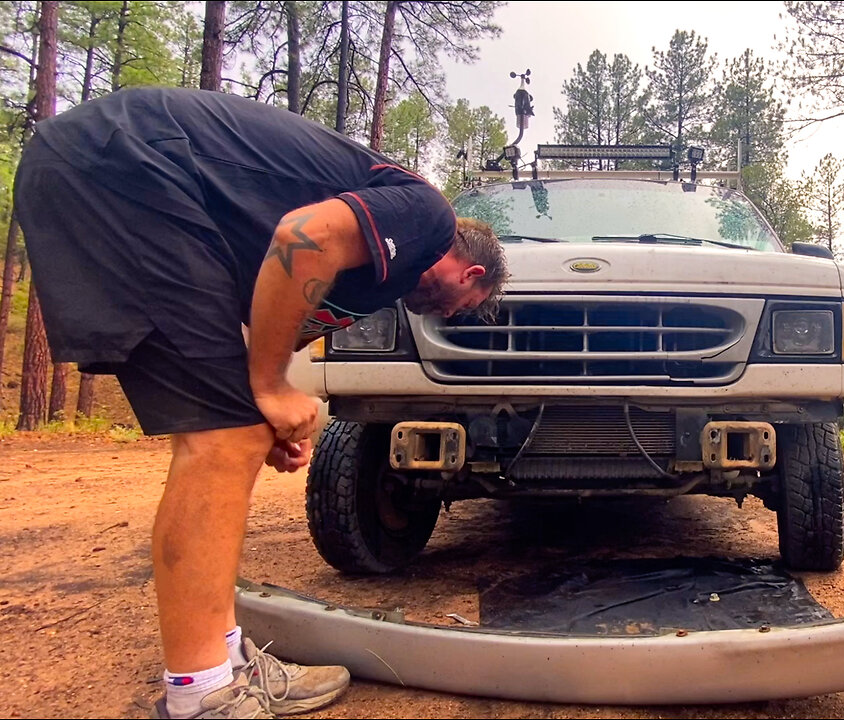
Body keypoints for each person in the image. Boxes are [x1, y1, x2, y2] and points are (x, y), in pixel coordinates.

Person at [14, 87, 509, 719]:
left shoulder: (372, 286)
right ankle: (202, 693)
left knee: (234, 434)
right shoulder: (427, 214)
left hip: (128, 180)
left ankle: (224, 663)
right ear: (471, 275)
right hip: (126, 160)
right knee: (220, 440)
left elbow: (270, 323)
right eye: (458, 307)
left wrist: (266, 413)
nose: (444, 313)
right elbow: (302, 235)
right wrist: (272, 387)